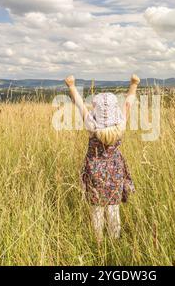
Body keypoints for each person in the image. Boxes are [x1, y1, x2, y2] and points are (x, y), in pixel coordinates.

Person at [64, 74, 140, 242]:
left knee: (96, 209)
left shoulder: (92, 126)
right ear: (114, 110)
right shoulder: (120, 126)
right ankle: (114, 240)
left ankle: (98, 241)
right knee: (113, 209)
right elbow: (128, 103)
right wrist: (134, 84)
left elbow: (80, 105)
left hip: (94, 173)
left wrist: (71, 86)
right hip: (115, 172)